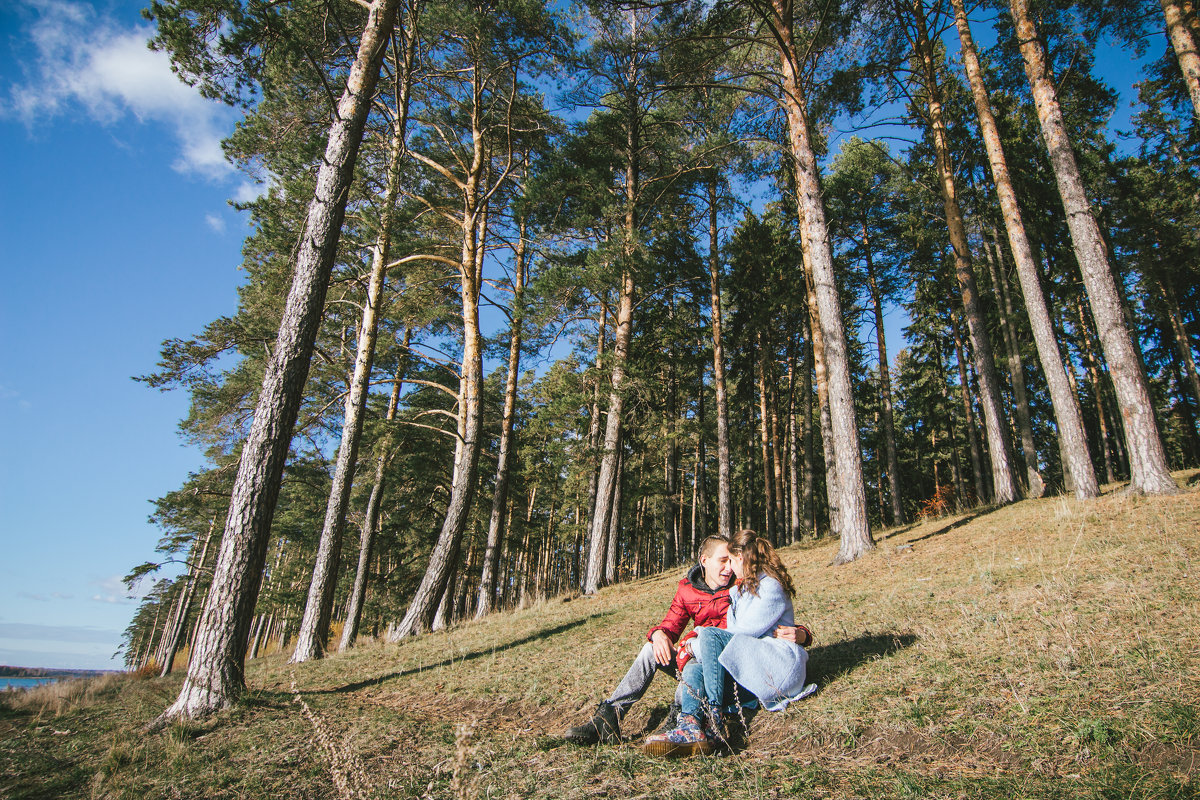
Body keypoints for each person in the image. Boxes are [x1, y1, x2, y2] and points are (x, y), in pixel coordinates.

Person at [643, 529, 816, 757]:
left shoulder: (770, 587)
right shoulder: (743, 589)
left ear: (741, 559)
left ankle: (714, 719)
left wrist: (693, 643)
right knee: (695, 665)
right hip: (753, 670)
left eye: (731, 561)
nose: (729, 569)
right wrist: (690, 643)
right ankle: (690, 725)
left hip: (778, 671)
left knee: (709, 637)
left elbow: (743, 633)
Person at [562, 535, 734, 745]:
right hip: (696, 654)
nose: (729, 568)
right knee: (651, 649)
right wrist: (658, 634)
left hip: (723, 667)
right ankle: (609, 718)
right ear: (704, 560)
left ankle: (680, 716)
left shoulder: (739, 586)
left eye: (732, 560)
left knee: (693, 663)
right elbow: (671, 624)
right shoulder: (687, 589)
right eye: (723, 560)